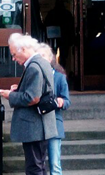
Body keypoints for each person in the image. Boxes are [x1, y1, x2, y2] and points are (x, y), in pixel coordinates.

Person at [0, 33, 58, 175]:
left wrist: (11, 95)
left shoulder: (33, 67)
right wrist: (19, 89)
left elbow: (33, 98)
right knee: (39, 166)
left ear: (24, 49)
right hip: (41, 125)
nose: (13, 59)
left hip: (34, 127)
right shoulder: (42, 62)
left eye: (14, 54)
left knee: (34, 168)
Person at [37, 43, 71, 175]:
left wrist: (61, 102)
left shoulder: (59, 77)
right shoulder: (35, 76)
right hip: (38, 124)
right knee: (38, 164)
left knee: (55, 164)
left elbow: (67, 101)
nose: (41, 58)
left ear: (50, 58)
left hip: (54, 125)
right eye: (38, 56)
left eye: (43, 55)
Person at [44, 0, 74, 68]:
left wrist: (47, 37)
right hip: (64, 38)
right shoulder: (67, 13)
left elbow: (46, 25)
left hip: (54, 37)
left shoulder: (51, 13)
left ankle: (54, 69)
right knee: (63, 57)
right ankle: (61, 69)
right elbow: (71, 27)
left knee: (53, 54)